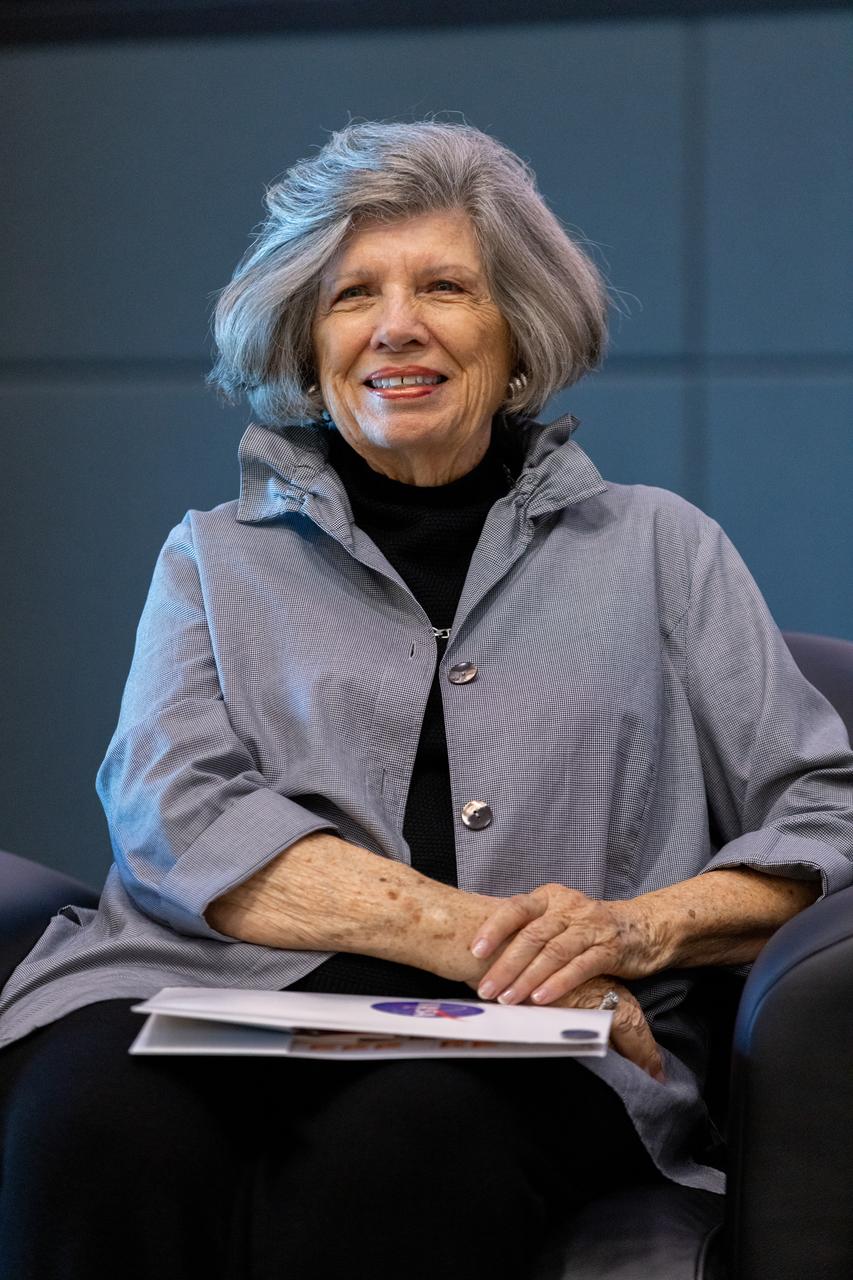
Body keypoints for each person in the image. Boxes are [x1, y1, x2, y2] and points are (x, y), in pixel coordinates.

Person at [1, 119, 852, 1280]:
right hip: (201, 988)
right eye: (354, 293)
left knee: (399, 1151)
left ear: (518, 335)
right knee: (93, 1124)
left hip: (533, 1043)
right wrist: (476, 940)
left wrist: (632, 928)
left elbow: (828, 813)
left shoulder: (664, 550)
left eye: (444, 286)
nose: (396, 324)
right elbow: (173, 811)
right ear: (310, 346)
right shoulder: (211, 557)